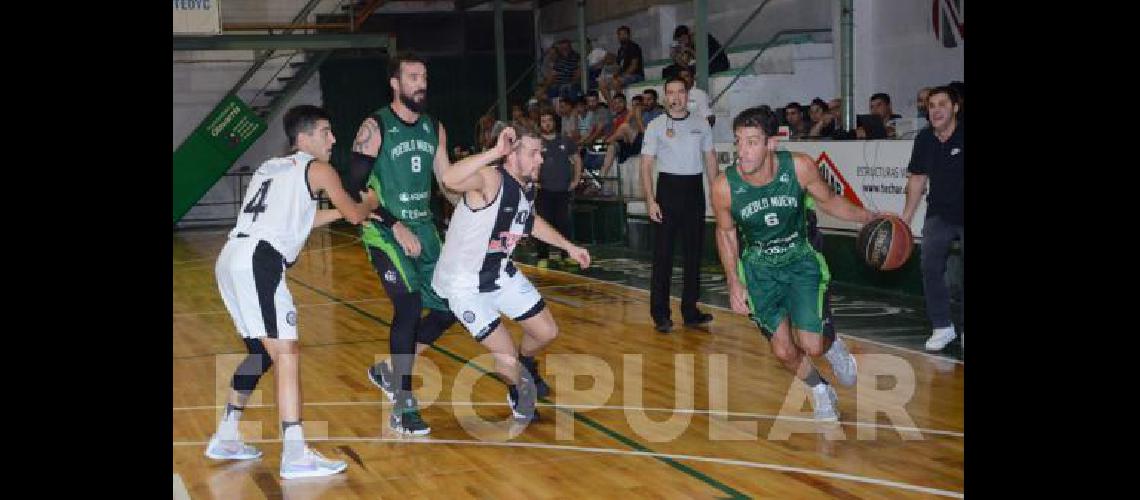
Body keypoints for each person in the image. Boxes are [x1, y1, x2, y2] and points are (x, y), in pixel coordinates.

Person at [208, 105, 378, 478]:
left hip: (233, 257)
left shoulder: (271, 167)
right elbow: (354, 214)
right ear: (304, 138)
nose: (333, 139)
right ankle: (296, 452)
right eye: (326, 131)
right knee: (287, 353)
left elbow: (300, 218)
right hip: (259, 262)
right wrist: (369, 204)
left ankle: (226, 435)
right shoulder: (318, 168)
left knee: (261, 353)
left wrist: (339, 212)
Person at [710, 106, 877, 421]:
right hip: (759, 269)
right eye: (738, 141)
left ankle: (833, 345)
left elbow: (830, 201)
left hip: (800, 259)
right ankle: (819, 389)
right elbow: (726, 232)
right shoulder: (724, 186)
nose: (742, 151)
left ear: (772, 143)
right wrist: (733, 280)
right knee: (784, 351)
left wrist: (869, 217)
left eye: (752, 141)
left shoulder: (799, 167)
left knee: (812, 345)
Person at [433, 124, 591, 420]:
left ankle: (526, 363)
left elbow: (528, 219)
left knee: (547, 332)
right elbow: (449, 179)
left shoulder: (527, 185)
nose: (540, 160)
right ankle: (518, 389)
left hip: (499, 271)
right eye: (533, 153)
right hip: (464, 283)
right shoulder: (491, 178)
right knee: (506, 362)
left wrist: (568, 246)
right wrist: (494, 151)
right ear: (511, 155)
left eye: (540, 153)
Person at [345, 52, 458, 436]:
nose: (420, 83)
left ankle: (390, 372)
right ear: (395, 83)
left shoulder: (434, 128)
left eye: (423, 76)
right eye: (412, 77)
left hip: (425, 229)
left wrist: (479, 206)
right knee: (408, 306)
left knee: (449, 308)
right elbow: (353, 189)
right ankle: (404, 405)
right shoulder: (375, 126)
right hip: (384, 229)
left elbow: (448, 183)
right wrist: (394, 224)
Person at [639, 76, 718, 333]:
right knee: (663, 256)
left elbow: (710, 160)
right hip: (667, 192)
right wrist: (651, 200)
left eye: (680, 92)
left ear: (687, 95)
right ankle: (660, 313)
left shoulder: (702, 124)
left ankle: (691, 311)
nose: (675, 97)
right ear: (665, 97)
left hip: (694, 191)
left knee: (693, 255)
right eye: (670, 93)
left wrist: (717, 194)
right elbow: (647, 165)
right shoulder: (656, 126)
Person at [900, 86, 964, 351]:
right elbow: (916, 180)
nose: (936, 110)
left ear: (955, 108)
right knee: (929, 265)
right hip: (940, 212)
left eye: (942, 104)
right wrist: (904, 221)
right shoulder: (924, 140)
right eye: (931, 106)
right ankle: (942, 326)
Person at [536, 110, 583, 267]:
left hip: (563, 190)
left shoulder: (566, 141)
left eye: (549, 120)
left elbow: (577, 159)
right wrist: (533, 180)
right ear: (540, 124)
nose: (547, 123)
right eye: (543, 121)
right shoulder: (537, 142)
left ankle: (567, 254)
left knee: (564, 222)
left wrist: (576, 180)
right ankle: (542, 256)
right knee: (543, 222)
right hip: (543, 190)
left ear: (554, 122)